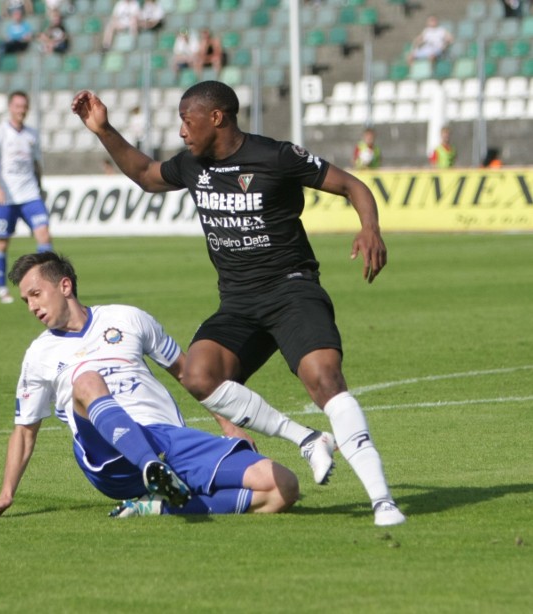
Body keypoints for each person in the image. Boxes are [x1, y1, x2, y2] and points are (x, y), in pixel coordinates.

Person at [71, 81, 406, 526]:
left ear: (217, 117)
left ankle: (382, 499)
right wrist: (103, 129)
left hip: (291, 291)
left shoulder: (276, 156)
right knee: (198, 374)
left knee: (323, 378)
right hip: (239, 303)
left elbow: (352, 185)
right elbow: (146, 175)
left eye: (187, 120)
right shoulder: (192, 165)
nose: (182, 131)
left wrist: (370, 228)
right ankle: (308, 440)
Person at [0, 251, 300, 519]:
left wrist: (228, 425)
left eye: (35, 294)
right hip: (108, 455)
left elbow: (188, 373)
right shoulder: (38, 355)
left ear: (65, 286)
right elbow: (25, 431)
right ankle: (151, 469)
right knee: (85, 381)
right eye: (26, 300)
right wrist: (6, 494)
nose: (31, 307)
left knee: (282, 487)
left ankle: (160, 504)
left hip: (169, 439)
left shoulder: (128, 318)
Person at [0, 91, 53, 305]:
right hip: (7, 197)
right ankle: (2, 288)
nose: (21, 110)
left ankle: (46, 283)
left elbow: (36, 164)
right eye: (17, 106)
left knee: (44, 235)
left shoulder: (32, 135)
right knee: (2, 242)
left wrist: (40, 187)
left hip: (30, 194)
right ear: (10, 107)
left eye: (24, 106)